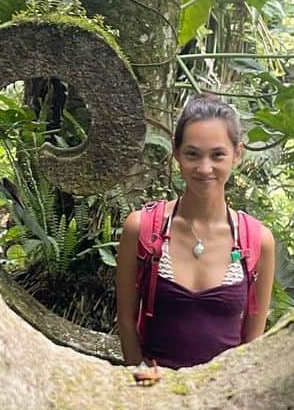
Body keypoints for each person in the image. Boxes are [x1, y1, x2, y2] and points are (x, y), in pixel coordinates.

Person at [115, 94, 275, 379]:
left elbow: (254, 340)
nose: (204, 168)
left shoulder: (257, 241)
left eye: (217, 155)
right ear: (176, 152)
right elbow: (126, 323)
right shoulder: (141, 229)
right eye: (192, 154)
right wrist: (141, 376)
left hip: (222, 399)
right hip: (154, 394)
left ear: (238, 153)